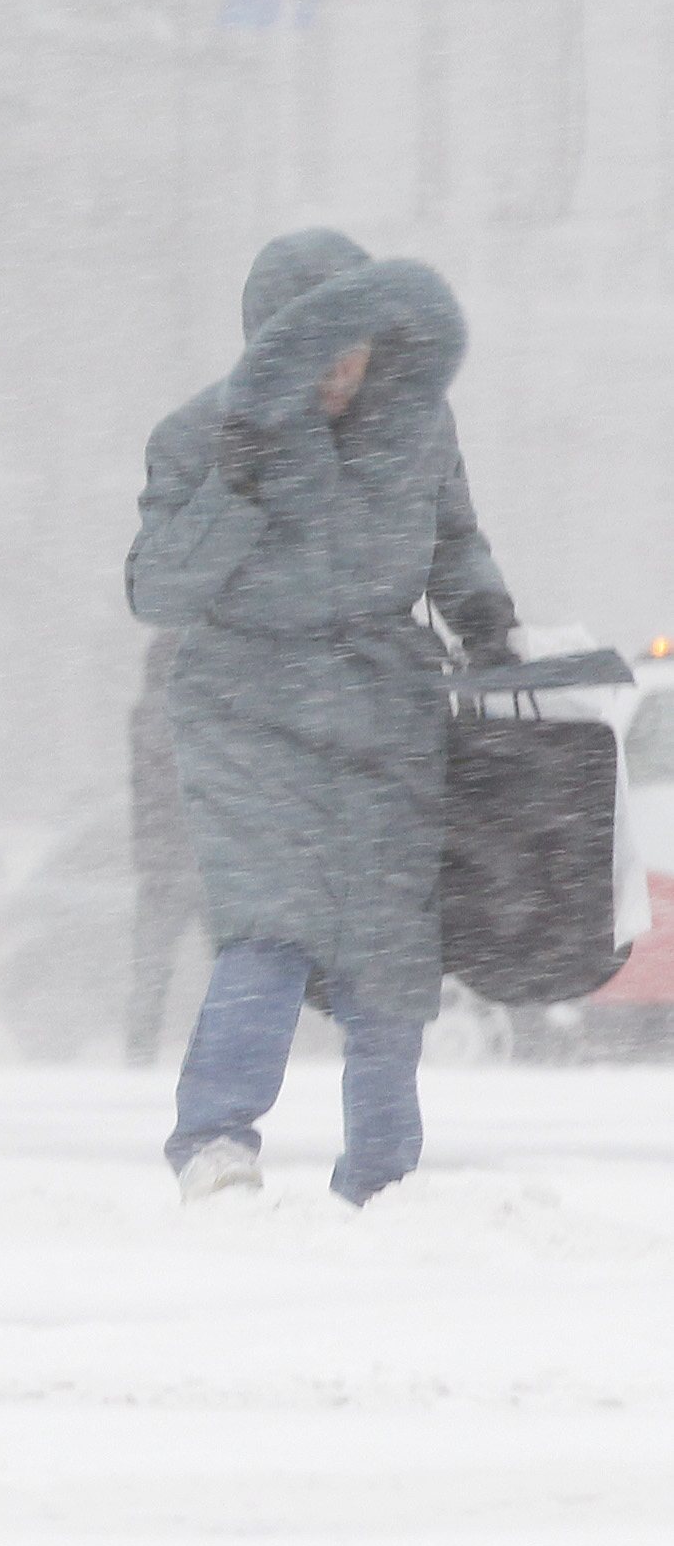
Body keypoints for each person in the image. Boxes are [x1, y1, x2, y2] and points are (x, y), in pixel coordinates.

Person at [127, 230, 516, 1205]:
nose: (341, 373)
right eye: (318, 353)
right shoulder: (200, 437)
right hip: (243, 706)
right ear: (272, 346)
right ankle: (213, 1140)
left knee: (391, 949)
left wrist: (488, 624)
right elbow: (160, 590)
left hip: (383, 704)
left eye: (355, 350)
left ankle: (383, 1177)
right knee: (269, 925)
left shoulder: (419, 428)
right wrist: (238, 484)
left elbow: (453, 540)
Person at [122, 627, 202, 1067]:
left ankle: (139, 1050)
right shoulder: (192, 716)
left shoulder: (144, 716)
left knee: (151, 967)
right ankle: (220, 1058)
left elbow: (147, 793)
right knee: (231, 970)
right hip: (201, 857)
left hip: (160, 861)